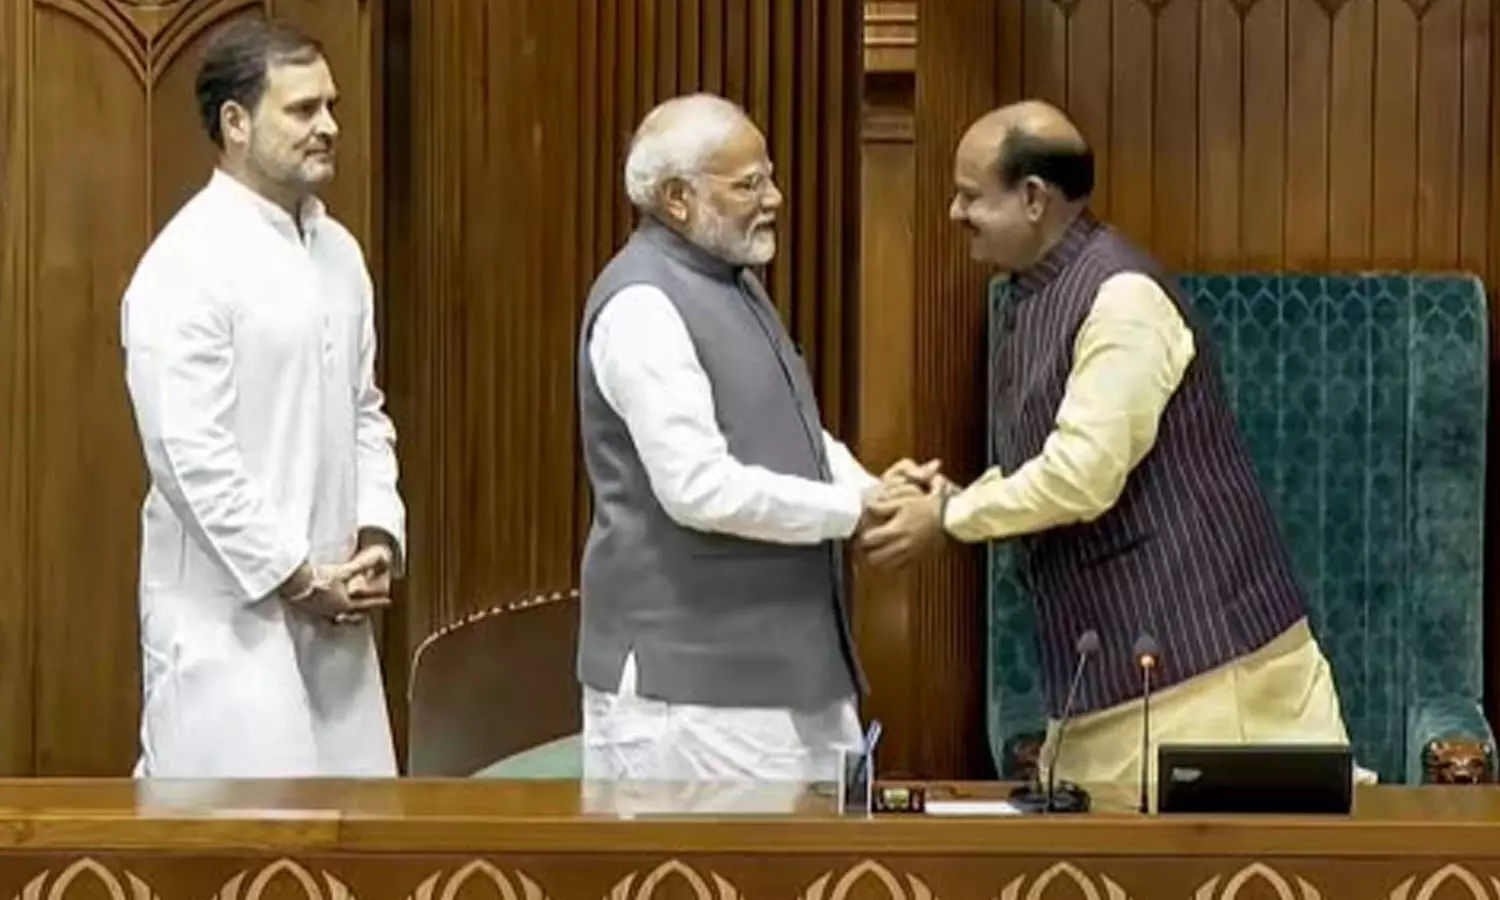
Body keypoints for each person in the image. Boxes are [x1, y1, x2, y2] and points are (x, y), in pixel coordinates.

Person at [859, 101, 1351, 791]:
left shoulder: (1123, 299)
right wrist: (957, 499)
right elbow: (1054, 459)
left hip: (1211, 684)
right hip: (1119, 686)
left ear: (1034, 198)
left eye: (970, 196)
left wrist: (949, 518)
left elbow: (1082, 476)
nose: (954, 213)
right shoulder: (1036, 295)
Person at [576, 93, 929, 783]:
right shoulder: (643, 305)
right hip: (695, 691)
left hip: (789, 673)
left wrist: (873, 490)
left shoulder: (733, 283)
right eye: (748, 185)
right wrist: (854, 510)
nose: (774, 199)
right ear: (678, 199)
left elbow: (787, 428)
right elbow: (697, 488)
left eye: (769, 178)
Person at [120, 18, 405, 777]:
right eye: (303, 109)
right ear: (235, 123)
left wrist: (377, 534)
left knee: (354, 832)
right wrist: (296, 576)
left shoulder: (338, 252)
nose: (329, 126)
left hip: (338, 613)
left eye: (331, 106)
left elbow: (364, 410)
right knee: (236, 835)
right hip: (229, 622)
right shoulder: (188, 261)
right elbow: (188, 453)